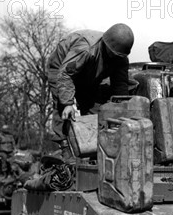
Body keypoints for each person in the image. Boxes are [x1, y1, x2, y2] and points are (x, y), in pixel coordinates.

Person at [47, 23, 135, 161]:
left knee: (93, 106)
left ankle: (95, 149)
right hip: (61, 68)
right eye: (113, 54)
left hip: (89, 74)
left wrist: (122, 110)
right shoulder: (86, 49)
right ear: (106, 45)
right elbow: (65, 75)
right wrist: (68, 103)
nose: (115, 58)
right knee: (62, 105)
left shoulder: (120, 58)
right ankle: (64, 145)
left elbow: (120, 86)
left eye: (118, 56)